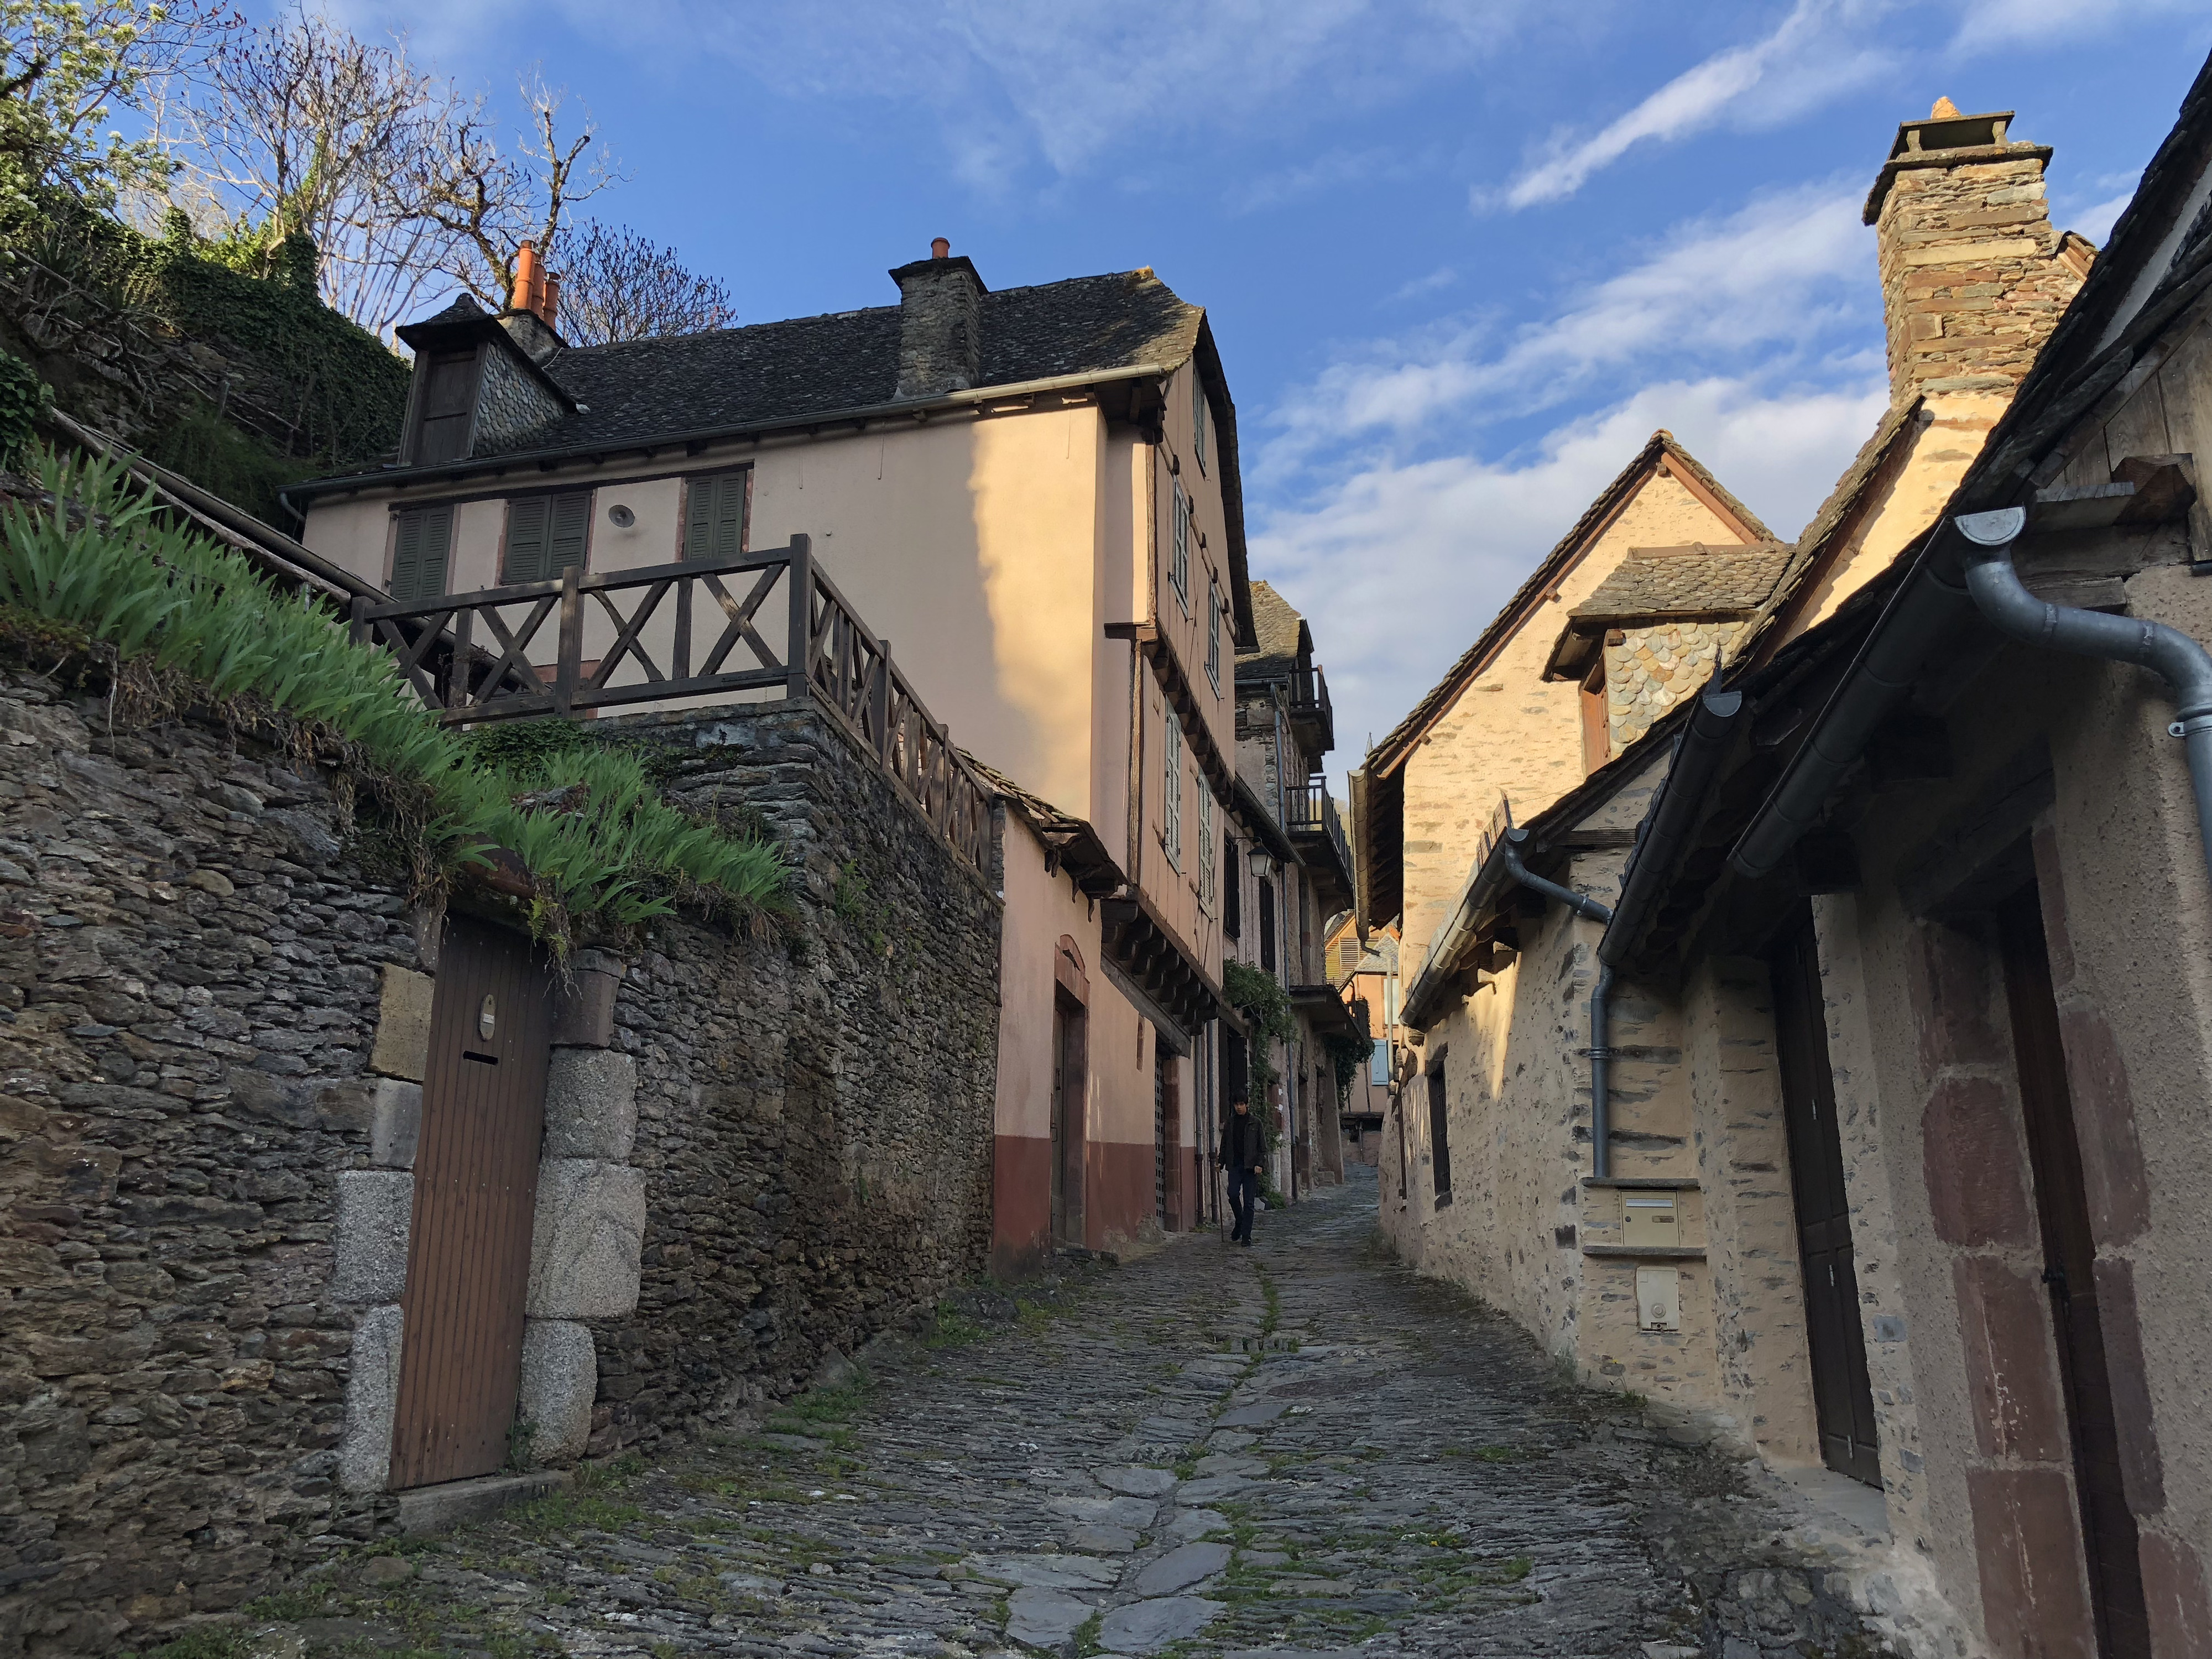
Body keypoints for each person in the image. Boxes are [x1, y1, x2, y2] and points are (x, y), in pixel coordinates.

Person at [1220, 1093, 1265, 1246]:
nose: (1239, 1107)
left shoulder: (1255, 1123)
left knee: (1249, 1203)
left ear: (1247, 1105)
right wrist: (1221, 1162)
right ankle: (1239, 1222)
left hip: (1250, 1168)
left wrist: (1260, 1164)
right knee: (1232, 1194)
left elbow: (1262, 1147)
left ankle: (1246, 1235)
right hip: (1235, 1165)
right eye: (1236, 1105)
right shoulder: (1230, 1123)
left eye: (1241, 1104)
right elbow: (1224, 1144)